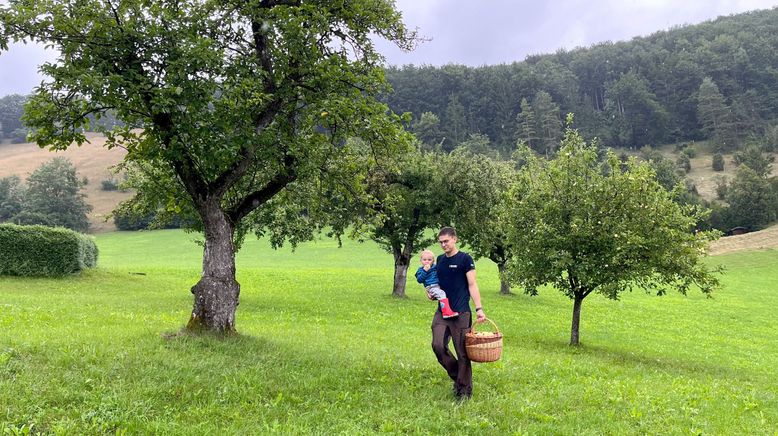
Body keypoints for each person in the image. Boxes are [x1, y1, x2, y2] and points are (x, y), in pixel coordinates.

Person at [429, 226, 486, 400]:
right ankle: (458, 378)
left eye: (446, 241)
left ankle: (464, 391)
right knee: (437, 345)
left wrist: (479, 309)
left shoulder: (465, 259)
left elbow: (472, 285)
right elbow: (435, 282)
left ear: (455, 239)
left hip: (461, 313)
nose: (443, 245)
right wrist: (430, 292)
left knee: (462, 353)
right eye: (441, 242)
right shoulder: (440, 260)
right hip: (442, 312)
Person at [415, 250, 459, 318]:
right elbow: (420, 280)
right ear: (421, 260)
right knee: (442, 294)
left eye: (429, 260)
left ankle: (448, 310)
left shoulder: (435, 267)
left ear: (433, 260)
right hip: (431, 287)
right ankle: (446, 312)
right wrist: (425, 271)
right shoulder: (420, 270)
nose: (427, 261)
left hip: (438, 286)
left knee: (445, 293)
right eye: (424, 260)